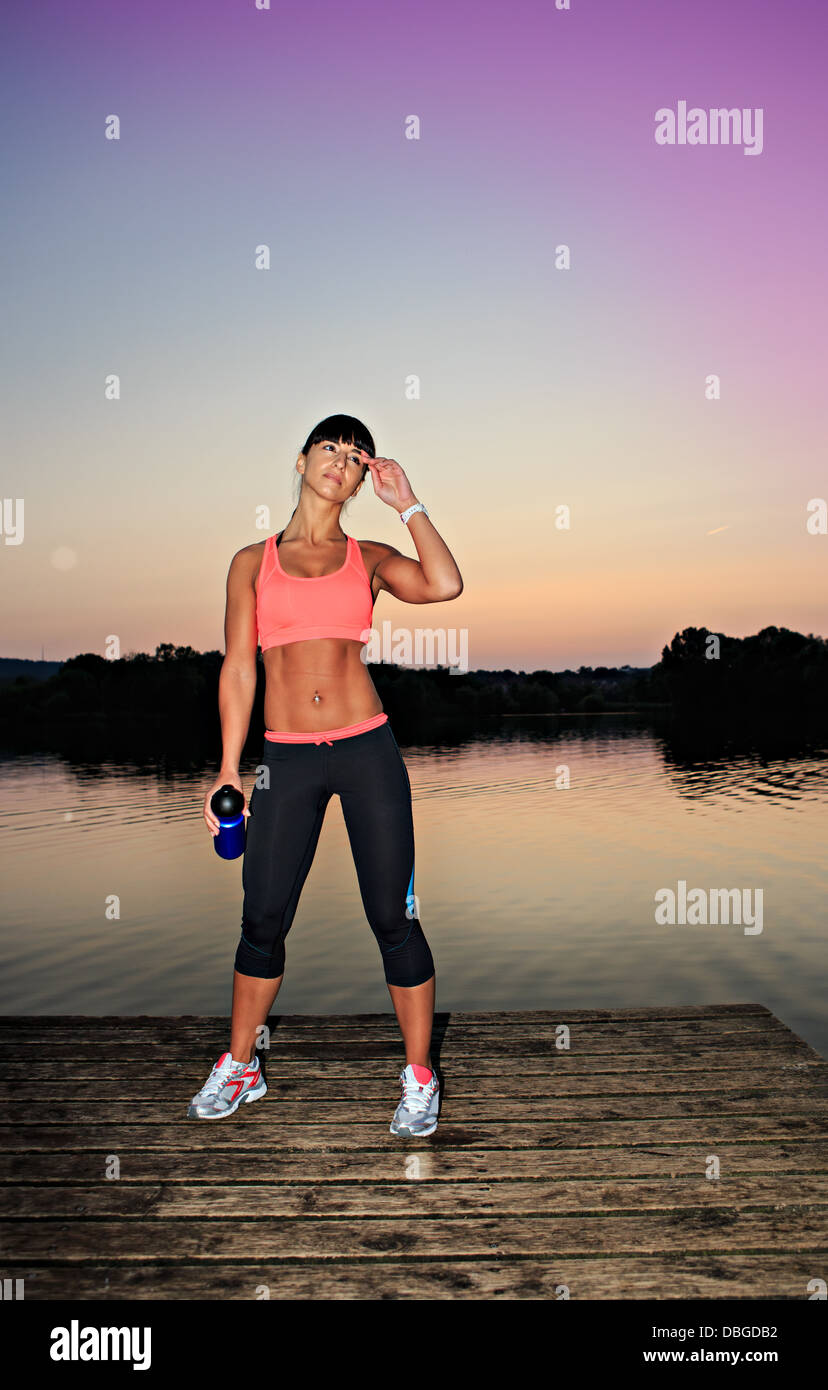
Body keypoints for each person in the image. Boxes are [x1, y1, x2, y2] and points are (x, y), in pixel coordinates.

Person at [191, 414, 463, 1137]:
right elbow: (239, 668)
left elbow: (444, 583)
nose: (341, 462)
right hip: (285, 757)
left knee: (393, 919)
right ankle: (242, 1064)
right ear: (304, 460)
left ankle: (419, 1077)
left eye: (355, 455)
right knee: (262, 919)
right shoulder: (253, 562)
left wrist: (407, 502)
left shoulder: (368, 556)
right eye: (329, 449)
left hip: (366, 749)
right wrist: (227, 765)